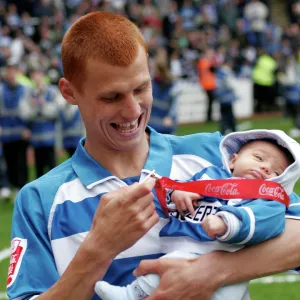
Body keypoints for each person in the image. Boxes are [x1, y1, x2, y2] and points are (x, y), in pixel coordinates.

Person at [6, 11, 300, 300]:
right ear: (69, 92)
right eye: (112, 96)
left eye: (141, 88)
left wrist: (213, 271)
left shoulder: (215, 155)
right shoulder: (41, 200)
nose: (133, 110)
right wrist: (97, 251)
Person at [95, 129, 300, 300]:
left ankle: (130, 295)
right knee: (163, 274)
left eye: (275, 171)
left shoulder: (268, 199)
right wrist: (178, 194)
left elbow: (264, 221)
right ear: (233, 160)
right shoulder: (210, 175)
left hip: (221, 254)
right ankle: (131, 294)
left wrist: (227, 223)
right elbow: (174, 192)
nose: (265, 167)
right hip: (182, 243)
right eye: (258, 158)